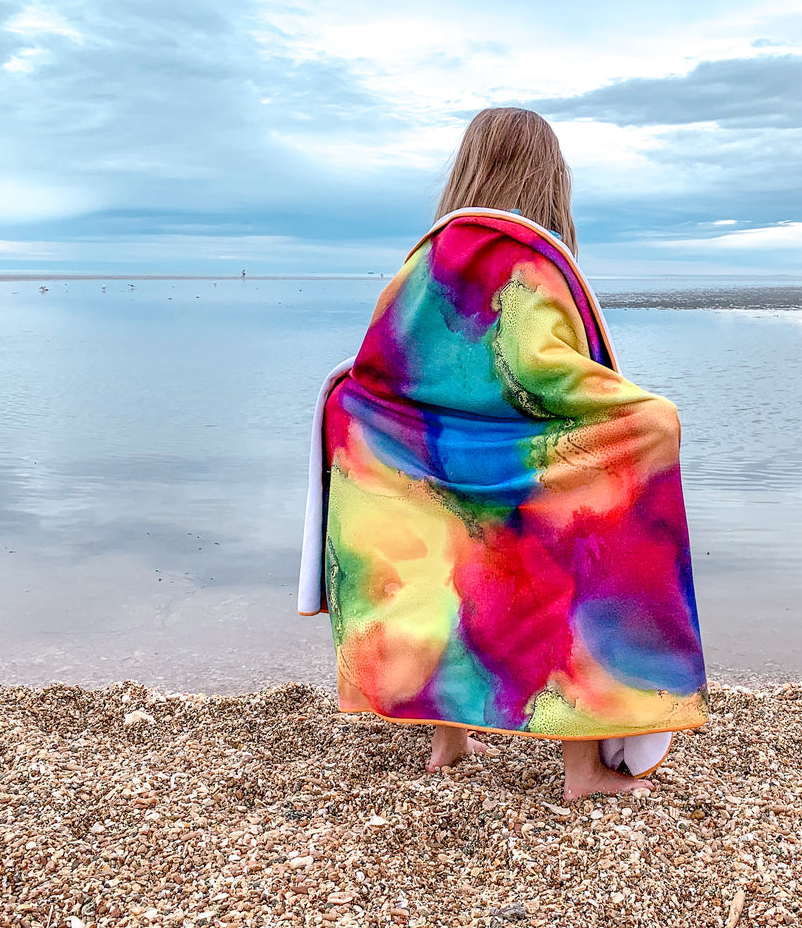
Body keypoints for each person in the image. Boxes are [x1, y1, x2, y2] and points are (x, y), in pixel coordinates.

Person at [299, 107, 707, 800]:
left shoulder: (428, 256)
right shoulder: (521, 255)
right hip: (514, 455)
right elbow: (536, 367)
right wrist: (639, 415)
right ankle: (582, 773)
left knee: (442, 576)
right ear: (548, 173)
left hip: (425, 453)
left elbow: (393, 364)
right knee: (576, 562)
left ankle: (446, 745)